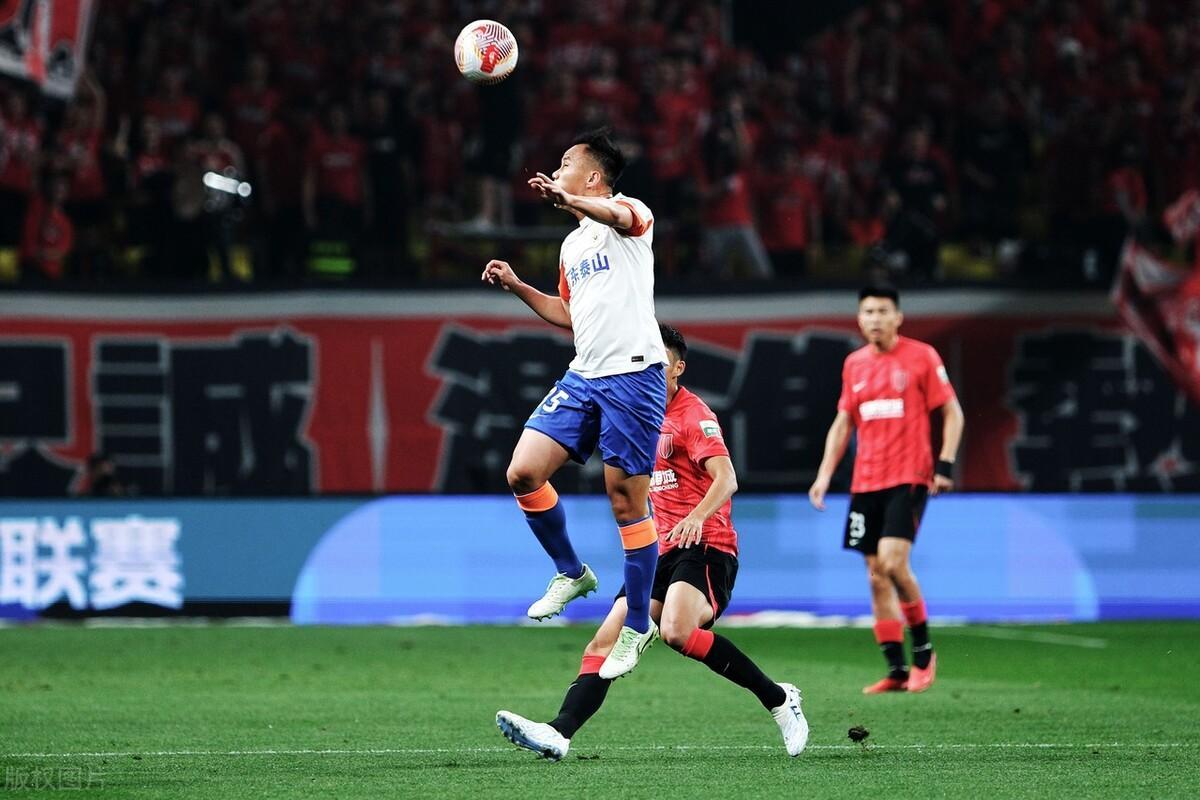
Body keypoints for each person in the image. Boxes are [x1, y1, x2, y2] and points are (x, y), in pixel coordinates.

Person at [496, 324, 808, 760]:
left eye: (658, 362)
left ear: (678, 368)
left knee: (678, 631)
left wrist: (697, 516)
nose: (645, 368)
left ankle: (778, 698)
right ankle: (558, 732)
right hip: (657, 551)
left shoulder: (693, 415)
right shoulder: (631, 411)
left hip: (706, 545)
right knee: (603, 643)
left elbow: (727, 478)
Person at [481, 129, 666, 680]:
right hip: (585, 373)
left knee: (626, 504)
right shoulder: (571, 246)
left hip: (633, 374)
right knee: (522, 472)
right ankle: (572, 572)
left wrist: (568, 199)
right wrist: (518, 285)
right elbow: (568, 314)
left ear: (592, 176)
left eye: (566, 163)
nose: (557, 170)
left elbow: (617, 216)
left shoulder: (632, 214)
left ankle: (637, 625)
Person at [808, 286, 964, 694]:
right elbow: (843, 423)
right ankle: (896, 669)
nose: (875, 318)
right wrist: (824, 475)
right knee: (876, 575)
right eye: (868, 312)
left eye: (882, 311)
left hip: (909, 477)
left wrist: (945, 464)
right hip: (866, 482)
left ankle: (924, 653)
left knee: (894, 564)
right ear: (859, 319)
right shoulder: (855, 364)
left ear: (898, 317)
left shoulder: (922, 357)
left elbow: (953, 413)